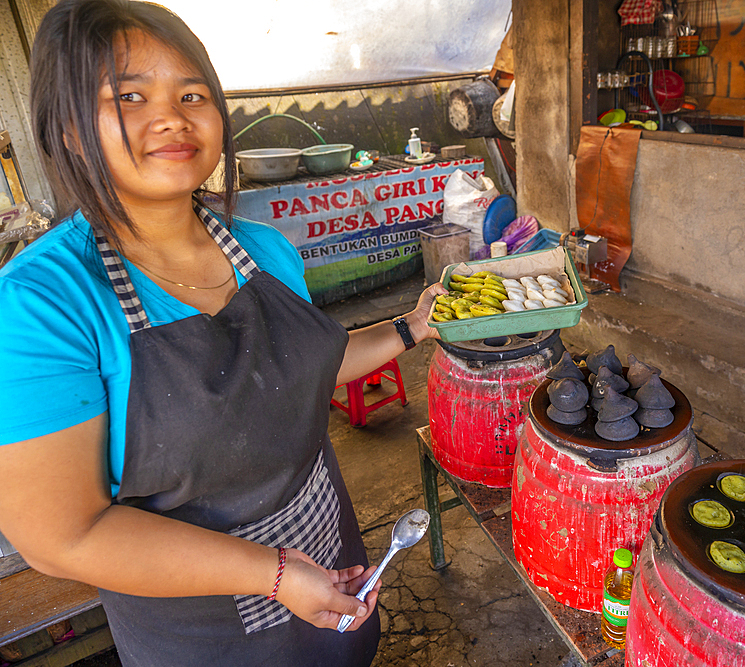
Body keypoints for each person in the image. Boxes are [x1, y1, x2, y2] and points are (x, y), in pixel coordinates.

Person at [0, 1, 446, 665]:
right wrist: (269, 572)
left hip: (329, 549)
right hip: (199, 631)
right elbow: (61, 536)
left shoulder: (264, 249)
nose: (173, 117)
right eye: (128, 95)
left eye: (191, 93)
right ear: (67, 128)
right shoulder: (43, 303)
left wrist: (413, 327)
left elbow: (301, 366)